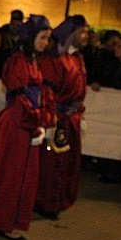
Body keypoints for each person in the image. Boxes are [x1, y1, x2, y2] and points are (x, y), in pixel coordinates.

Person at [0, 15, 52, 240]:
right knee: (11, 175)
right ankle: (3, 222)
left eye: (47, 38)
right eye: (42, 37)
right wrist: (36, 122)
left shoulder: (32, 60)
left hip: (26, 122)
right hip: (17, 123)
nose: (45, 42)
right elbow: (20, 99)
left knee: (20, 176)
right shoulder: (18, 61)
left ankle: (8, 221)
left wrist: (40, 121)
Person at [36, 15, 89, 220]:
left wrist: (81, 114)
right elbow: (48, 91)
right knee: (52, 163)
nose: (85, 36)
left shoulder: (77, 58)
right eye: (82, 31)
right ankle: (46, 202)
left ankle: (60, 199)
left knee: (67, 164)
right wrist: (50, 120)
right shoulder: (55, 60)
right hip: (57, 119)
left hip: (72, 119)